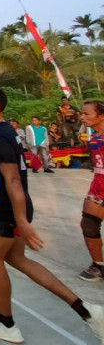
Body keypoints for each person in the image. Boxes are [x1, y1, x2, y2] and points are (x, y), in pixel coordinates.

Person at [0, 86, 104, 343]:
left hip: (0, 208)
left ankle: (5, 324)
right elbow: (0, 170)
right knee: (18, 259)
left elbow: (13, 179)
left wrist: (21, 220)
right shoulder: (5, 132)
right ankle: (85, 310)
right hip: (12, 206)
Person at [78, 101, 104, 282]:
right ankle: (98, 266)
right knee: (88, 224)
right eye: (82, 113)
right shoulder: (94, 136)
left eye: (87, 114)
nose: (82, 117)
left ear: (101, 116)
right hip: (98, 184)